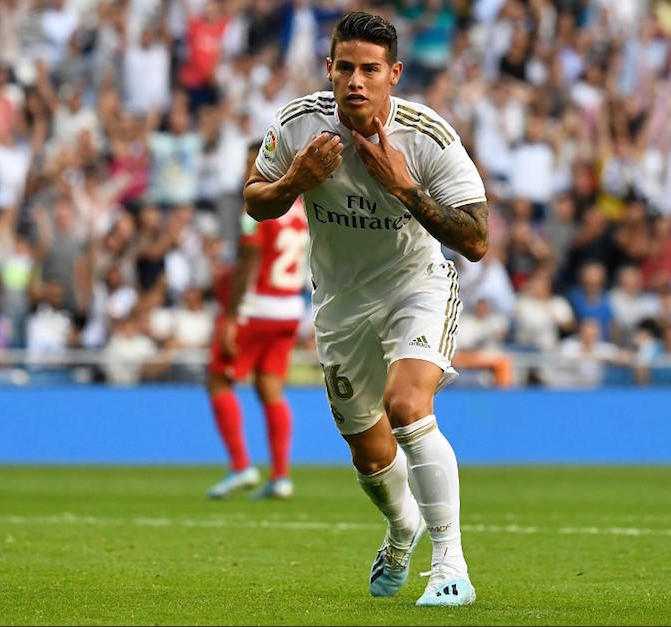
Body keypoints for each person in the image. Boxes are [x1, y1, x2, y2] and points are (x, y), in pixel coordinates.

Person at [243, 12, 488, 607]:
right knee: (369, 451)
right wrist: (294, 180)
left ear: (393, 74)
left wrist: (406, 189)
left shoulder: (427, 136)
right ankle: (402, 529)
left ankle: (450, 566)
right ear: (329, 68)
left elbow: (477, 239)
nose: (356, 81)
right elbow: (255, 199)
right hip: (341, 305)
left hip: (416, 287)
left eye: (370, 70)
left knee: (407, 406)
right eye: (346, 68)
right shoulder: (299, 125)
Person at [206, 142, 310, 500]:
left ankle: (241, 466)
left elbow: (248, 261)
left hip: (257, 308)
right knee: (270, 388)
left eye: (253, 162)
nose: (247, 171)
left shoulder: (257, 207)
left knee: (218, 380)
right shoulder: (300, 209)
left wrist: (231, 317)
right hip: (290, 309)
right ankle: (280, 476)